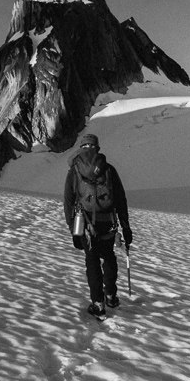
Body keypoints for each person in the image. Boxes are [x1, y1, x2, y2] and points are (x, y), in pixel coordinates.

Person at [63, 133, 133, 318]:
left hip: (86, 225)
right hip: (108, 222)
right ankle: (111, 295)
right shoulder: (108, 169)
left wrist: (73, 229)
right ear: (97, 148)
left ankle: (98, 303)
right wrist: (126, 227)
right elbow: (120, 199)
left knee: (92, 260)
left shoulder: (75, 170)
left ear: (82, 147)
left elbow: (68, 201)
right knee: (108, 257)